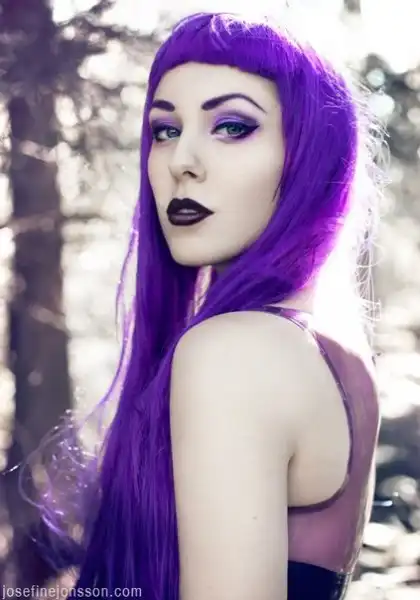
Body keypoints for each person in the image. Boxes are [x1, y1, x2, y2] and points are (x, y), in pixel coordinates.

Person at [36, 10, 382, 600]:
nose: (180, 162)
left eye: (232, 126)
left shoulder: (235, 351)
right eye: (166, 130)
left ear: (311, 156)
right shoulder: (332, 353)